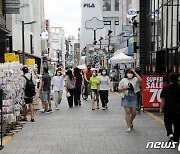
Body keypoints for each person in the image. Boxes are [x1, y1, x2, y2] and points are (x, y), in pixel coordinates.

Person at [118, 68, 142, 132]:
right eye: (129, 73)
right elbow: (119, 89)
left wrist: (135, 72)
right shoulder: (123, 80)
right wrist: (123, 88)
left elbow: (140, 80)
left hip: (133, 96)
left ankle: (131, 121)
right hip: (126, 96)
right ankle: (128, 126)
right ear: (126, 73)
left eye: (131, 73)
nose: (130, 74)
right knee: (127, 111)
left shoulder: (135, 79)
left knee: (134, 112)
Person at [160, 73, 180, 143]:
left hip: (168, 109)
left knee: (167, 122)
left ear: (170, 79)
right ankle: (176, 139)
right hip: (178, 110)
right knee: (177, 124)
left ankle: (170, 134)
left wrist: (161, 108)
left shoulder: (166, 88)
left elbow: (163, 99)